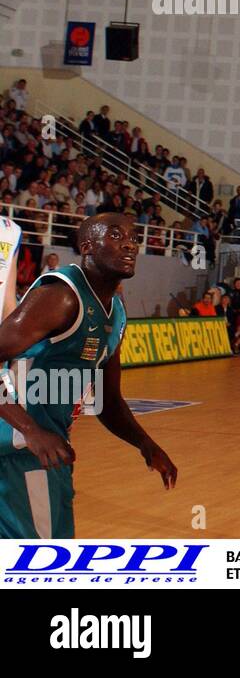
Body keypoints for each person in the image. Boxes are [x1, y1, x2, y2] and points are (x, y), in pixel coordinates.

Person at [0, 214, 177, 537]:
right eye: (114, 235)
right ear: (87, 247)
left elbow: (108, 401)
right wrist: (31, 431)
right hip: (19, 448)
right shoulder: (61, 296)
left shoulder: (117, 313)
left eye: (133, 237)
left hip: (48, 450)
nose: (129, 243)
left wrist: (146, 445)